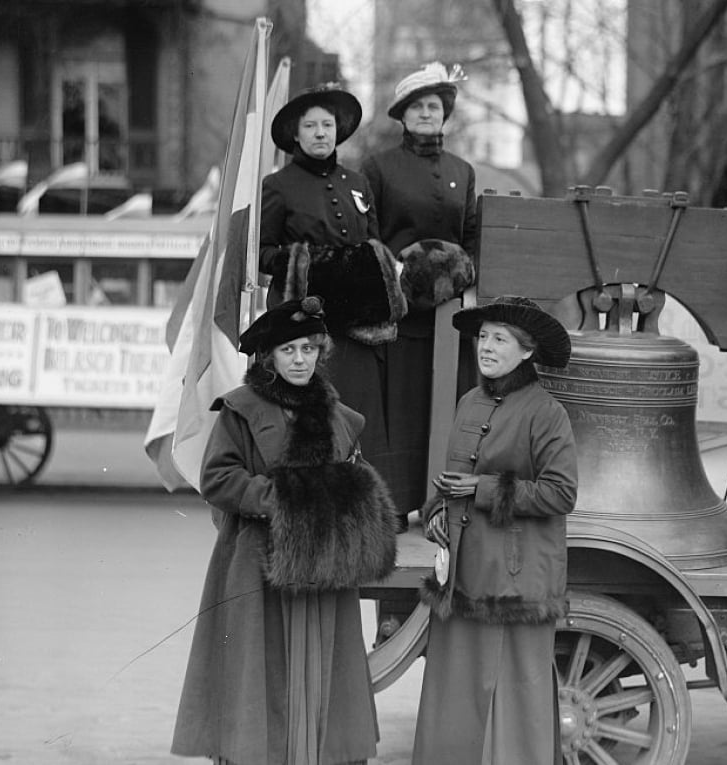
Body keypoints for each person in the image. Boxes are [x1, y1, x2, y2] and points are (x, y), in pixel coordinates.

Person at [171, 296, 399, 765]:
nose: (300, 360)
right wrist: (280, 499)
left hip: (325, 569)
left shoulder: (340, 418)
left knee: (323, 668)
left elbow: (358, 481)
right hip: (257, 564)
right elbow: (218, 478)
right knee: (261, 667)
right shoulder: (241, 410)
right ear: (269, 357)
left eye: (308, 349)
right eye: (288, 350)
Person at [411, 295, 578, 765]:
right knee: (456, 695)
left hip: (515, 581)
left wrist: (484, 489)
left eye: (500, 339)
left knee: (513, 699)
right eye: (483, 337)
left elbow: (561, 493)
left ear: (527, 351)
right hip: (463, 574)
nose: (486, 347)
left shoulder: (546, 412)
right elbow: (452, 479)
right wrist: (437, 512)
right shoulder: (469, 401)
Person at [259, 83, 406, 508]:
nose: (321, 133)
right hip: (303, 327)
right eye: (311, 126)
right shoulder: (278, 185)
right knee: (311, 420)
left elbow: (375, 246)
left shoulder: (357, 183)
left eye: (327, 125)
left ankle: (362, 508)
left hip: (356, 328)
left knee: (358, 416)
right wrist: (309, 264)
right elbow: (262, 252)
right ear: (296, 134)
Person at [360, 62, 478, 532]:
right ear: (402, 116)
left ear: (445, 114)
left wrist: (464, 279)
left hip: (450, 318)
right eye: (417, 107)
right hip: (400, 312)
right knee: (400, 407)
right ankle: (393, 502)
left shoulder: (462, 172)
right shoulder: (378, 168)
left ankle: (442, 504)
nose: (427, 113)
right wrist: (398, 276)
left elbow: (473, 237)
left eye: (434, 106)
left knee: (447, 406)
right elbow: (370, 235)